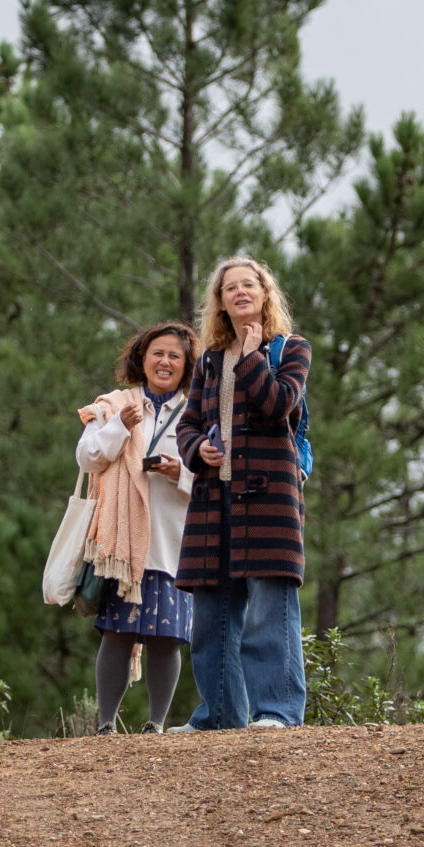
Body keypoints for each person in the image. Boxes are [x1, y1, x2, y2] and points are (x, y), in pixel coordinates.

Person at [172, 255, 310, 731]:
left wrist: (252, 357)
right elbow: (187, 424)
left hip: (270, 500)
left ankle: (278, 712)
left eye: (249, 285)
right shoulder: (208, 360)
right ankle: (219, 717)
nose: (239, 293)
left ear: (265, 294)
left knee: (270, 613)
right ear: (220, 302)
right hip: (214, 502)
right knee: (211, 618)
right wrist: (197, 450)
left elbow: (279, 405)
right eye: (229, 288)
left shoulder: (290, 349)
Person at [73, 322, 199, 732]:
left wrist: (180, 471)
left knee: (167, 637)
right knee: (117, 631)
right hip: (123, 545)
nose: (165, 361)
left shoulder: (195, 411)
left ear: (186, 366)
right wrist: (119, 427)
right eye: (157, 353)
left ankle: (156, 725)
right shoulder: (114, 404)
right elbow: (88, 458)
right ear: (141, 359)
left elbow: (212, 478)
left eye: (174, 356)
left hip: (172, 539)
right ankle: (106, 724)